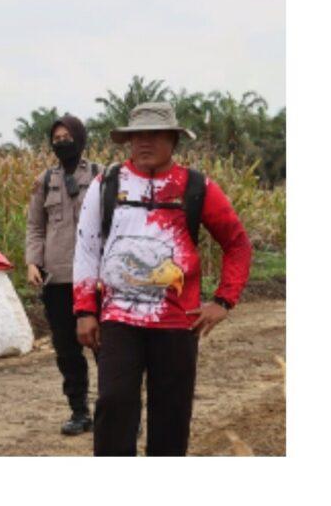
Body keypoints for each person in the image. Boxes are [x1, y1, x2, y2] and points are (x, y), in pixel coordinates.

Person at [73, 99, 250, 457]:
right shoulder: (106, 183)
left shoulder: (197, 186)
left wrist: (223, 300)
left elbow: (238, 244)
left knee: (171, 414)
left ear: (174, 139)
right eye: (137, 135)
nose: (144, 142)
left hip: (176, 323)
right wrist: (84, 310)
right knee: (114, 404)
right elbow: (87, 249)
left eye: (155, 134)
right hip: (118, 319)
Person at [27, 112, 100, 436]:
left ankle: (119, 412)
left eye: (66, 138)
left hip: (93, 278)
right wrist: (33, 261)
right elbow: (35, 226)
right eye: (56, 140)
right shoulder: (44, 181)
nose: (61, 144)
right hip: (56, 279)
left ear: (79, 139)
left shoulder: (101, 176)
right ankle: (79, 412)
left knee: (105, 349)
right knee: (67, 352)